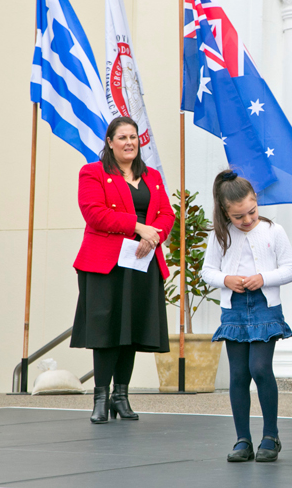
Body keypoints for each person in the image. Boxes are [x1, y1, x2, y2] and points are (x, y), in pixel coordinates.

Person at [71, 116, 174, 424]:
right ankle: (100, 398)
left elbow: (167, 214)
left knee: (131, 328)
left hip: (143, 262)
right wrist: (139, 227)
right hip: (106, 264)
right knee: (106, 330)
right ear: (110, 142)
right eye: (123, 137)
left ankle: (121, 397)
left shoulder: (152, 176)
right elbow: (94, 214)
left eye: (134, 137)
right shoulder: (93, 172)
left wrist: (154, 237)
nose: (130, 142)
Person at [200, 170, 292, 462]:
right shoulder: (221, 235)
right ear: (225, 213)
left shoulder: (273, 231)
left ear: (256, 202)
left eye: (252, 212)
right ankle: (243, 439)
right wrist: (226, 279)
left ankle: (271, 435)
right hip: (233, 308)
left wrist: (263, 278)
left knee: (259, 368)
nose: (247, 220)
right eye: (239, 216)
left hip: (265, 305)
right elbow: (208, 271)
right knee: (239, 374)